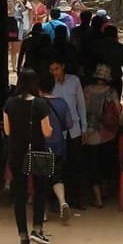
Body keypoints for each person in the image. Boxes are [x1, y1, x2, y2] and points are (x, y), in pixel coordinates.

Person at [2, 68, 54, 244]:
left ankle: (23, 237)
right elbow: (47, 131)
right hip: (37, 151)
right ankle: (37, 230)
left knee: (20, 194)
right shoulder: (40, 104)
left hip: (16, 153)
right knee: (40, 191)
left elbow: (7, 131)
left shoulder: (9, 103)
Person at [48, 57, 88, 211]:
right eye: (51, 70)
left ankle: (76, 199)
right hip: (57, 133)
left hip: (74, 130)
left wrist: (84, 127)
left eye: (56, 69)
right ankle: (59, 201)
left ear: (63, 66)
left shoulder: (74, 81)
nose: (54, 73)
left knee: (75, 165)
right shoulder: (50, 86)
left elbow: (81, 104)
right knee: (59, 167)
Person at [81, 64, 122, 208]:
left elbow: (83, 110)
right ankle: (105, 191)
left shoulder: (87, 91)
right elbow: (118, 110)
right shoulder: (111, 92)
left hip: (91, 132)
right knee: (106, 163)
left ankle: (97, 198)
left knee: (93, 165)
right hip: (108, 133)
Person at [40, 78, 76, 223]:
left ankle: (42, 212)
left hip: (41, 145)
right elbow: (69, 124)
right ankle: (62, 202)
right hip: (58, 145)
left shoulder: (36, 104)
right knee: (57, 177)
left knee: (40, 179)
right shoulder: (61, 103)